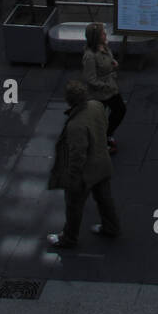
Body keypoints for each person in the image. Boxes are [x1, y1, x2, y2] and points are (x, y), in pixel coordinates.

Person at [46, 79, 120, 249]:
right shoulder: (96, 106)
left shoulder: (75, 125)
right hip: (103, 162)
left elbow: (77, 156)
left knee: (74, 206)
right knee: (104, 198)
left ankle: (69, 237)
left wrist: (72, 179)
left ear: (69, 100)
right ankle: (111, 227)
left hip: (86, 173)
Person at [82, 23, 126, 153]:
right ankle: (101, 139)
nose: (105, 34)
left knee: (120, 110)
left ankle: (106, 134)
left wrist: (112, 62)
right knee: (100, 118)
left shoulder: (104, 46)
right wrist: (105, 85)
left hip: (111, 87)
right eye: (102, 33)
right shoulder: (89, 56)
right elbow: (90, 79)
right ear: (96, 37)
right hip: (100, 93)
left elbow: (107, 58)